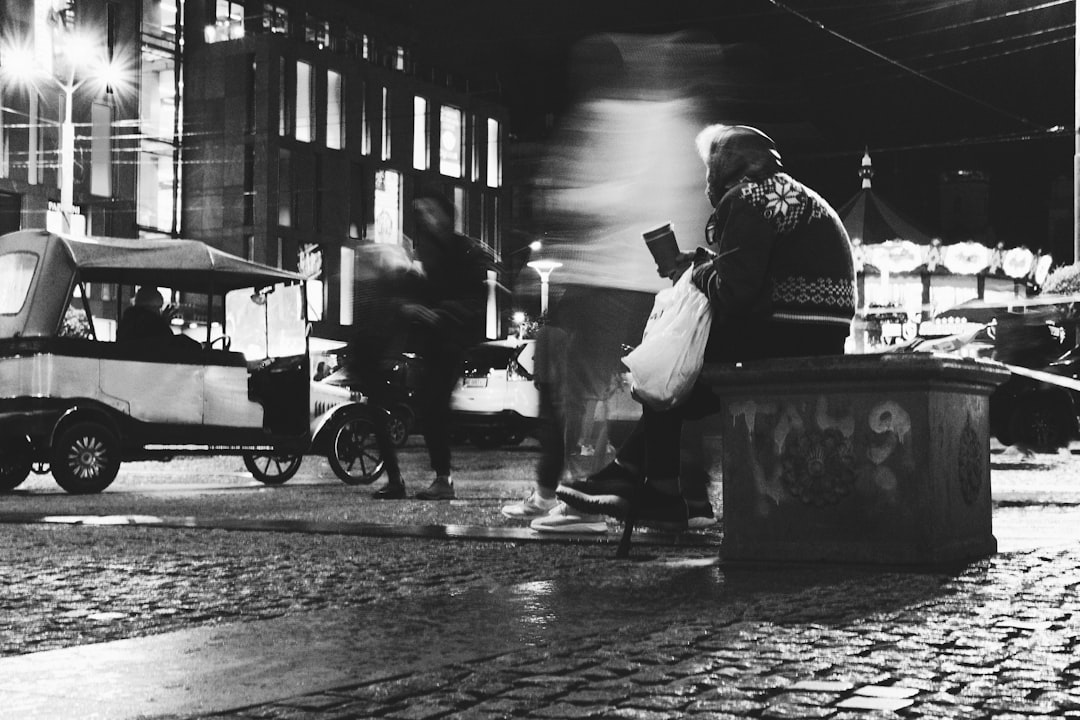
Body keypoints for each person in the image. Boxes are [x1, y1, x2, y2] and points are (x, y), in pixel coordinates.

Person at [558, 124, 857, 529]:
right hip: (817, 334)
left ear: (722, 168)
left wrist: (699, 275)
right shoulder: (789, 194)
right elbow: (755, 270)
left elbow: (736, 293)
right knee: (682, 378)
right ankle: (636, 476)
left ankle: (652, 486)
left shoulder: (749, 199)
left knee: (670, 358)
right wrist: (706, 263)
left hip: (788, 333)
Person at [373, 191, 493, 501]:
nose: (426, 218)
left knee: (435, 404)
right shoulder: (426, 251)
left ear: (445, 214)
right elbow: (414, 289)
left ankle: (443, 478)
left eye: (431, 211)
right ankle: (440, 477)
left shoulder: (464, 250)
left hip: (451, 339)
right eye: (423, 213)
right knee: (428, 406)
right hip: (429, 340)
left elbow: (476, 299)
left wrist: (443, 312)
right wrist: (407, 302)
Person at [499, 304, 608, 534]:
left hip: (558, 388)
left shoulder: (553, 332)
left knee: (558, 437)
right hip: (562, 387)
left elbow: (554, 362)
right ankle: (557, 497)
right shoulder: (558, 332)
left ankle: (571, 502)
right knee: (561, 438)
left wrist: (549, 381)